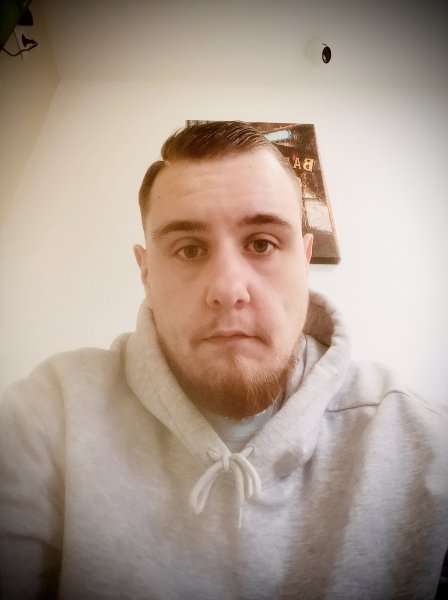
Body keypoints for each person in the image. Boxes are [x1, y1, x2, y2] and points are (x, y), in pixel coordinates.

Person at [0, 121, 446, 600]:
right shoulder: (48, 416)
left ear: (305, 258)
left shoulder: (419, 441)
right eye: (189, 249)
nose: (229, 290)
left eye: (262, 243)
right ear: (146, 272)